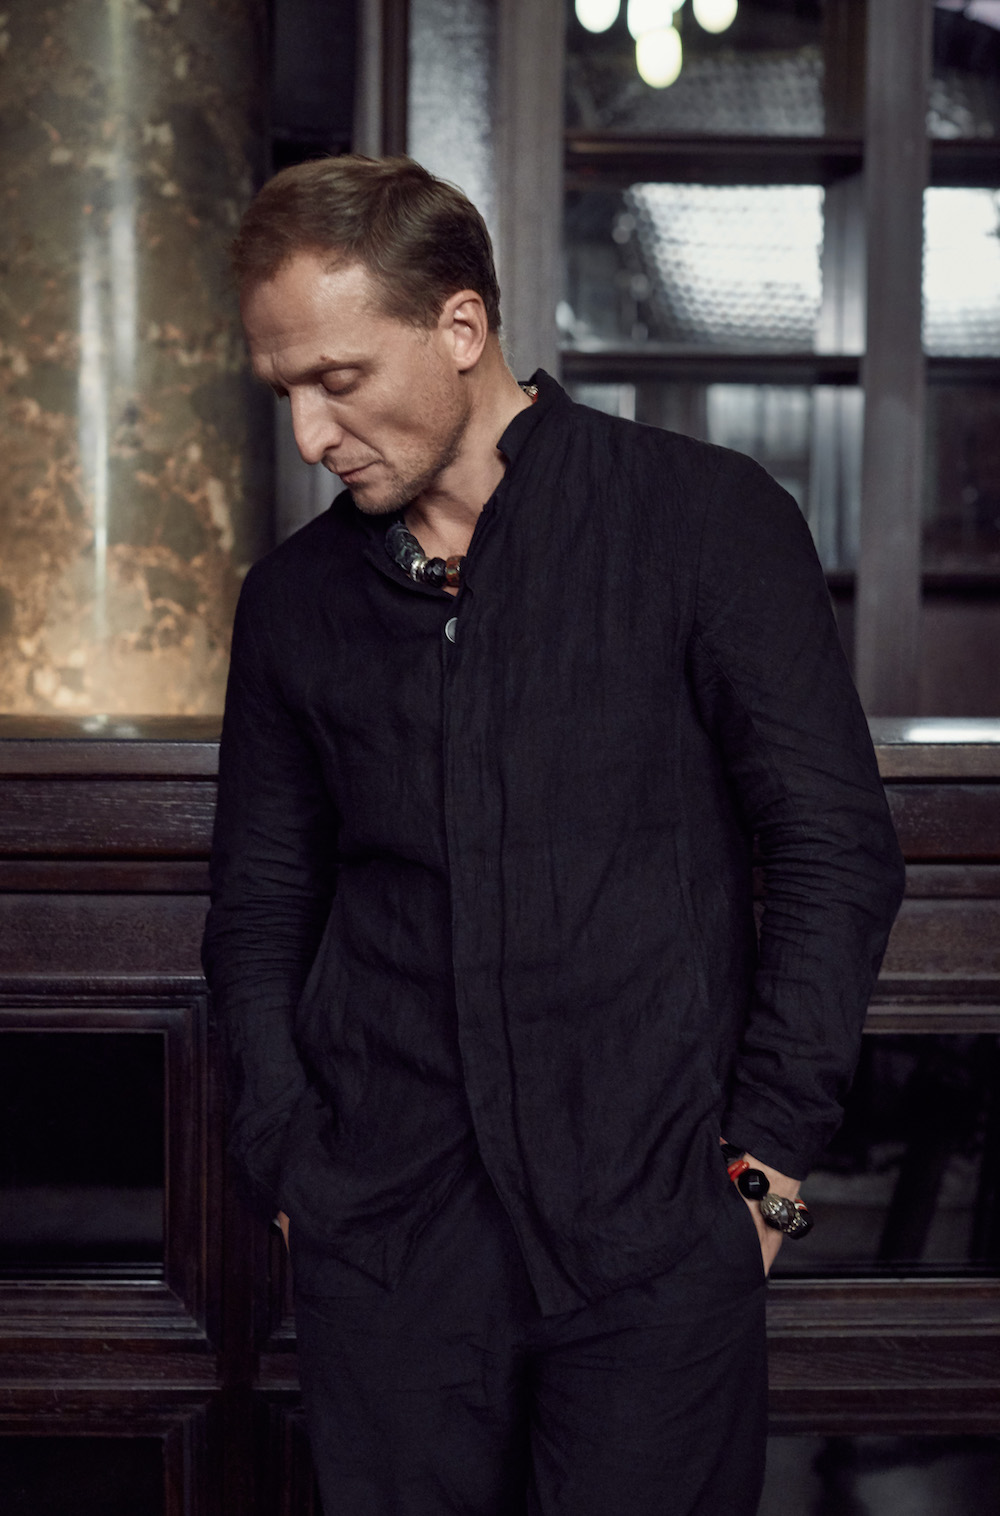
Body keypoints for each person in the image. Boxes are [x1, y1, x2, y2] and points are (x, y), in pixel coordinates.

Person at [202, 154, 905, 1516]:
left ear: (461, 326)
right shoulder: (292, 602)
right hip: (384, 1242)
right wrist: (291, 1161)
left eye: (338, 379)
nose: (308, 435)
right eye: (283, 390)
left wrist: (764, 1172)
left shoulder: (703, 521)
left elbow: (835, 850)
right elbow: (260, 907)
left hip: (658, 1231)